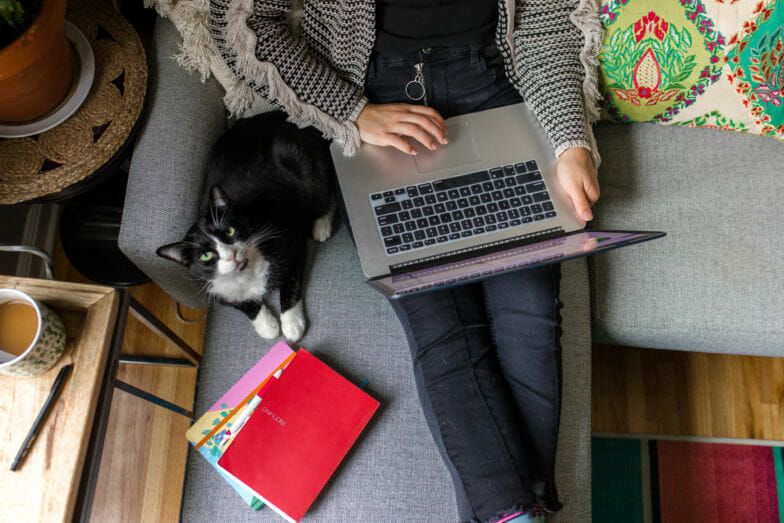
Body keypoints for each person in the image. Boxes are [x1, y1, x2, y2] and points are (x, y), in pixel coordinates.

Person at [209, 1, 602, 520]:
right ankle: (521, 511)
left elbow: (544, 26)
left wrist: (569, 140)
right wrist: (351, 111)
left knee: (529, 309)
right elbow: (238, 24)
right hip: (373, 100)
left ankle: (513, 512)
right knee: (439, 323)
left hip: (495, 88)